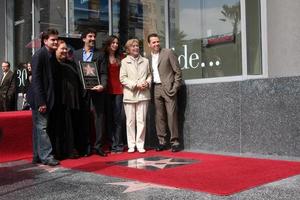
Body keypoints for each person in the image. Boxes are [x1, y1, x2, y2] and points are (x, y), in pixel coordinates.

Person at [26, 28, 60, 166]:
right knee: (42, 128)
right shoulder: (39, 55)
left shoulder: (51, 55)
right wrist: (41, 102)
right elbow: (36, 80)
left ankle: (37, 156)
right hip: (39, 99)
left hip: (45, 99)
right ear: (45, 41)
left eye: (56, 39)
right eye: (52, 39)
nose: (55, 42)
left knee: (38, 128)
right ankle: (47, 156)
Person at [73, 28, 108, 157]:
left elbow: (104, 73)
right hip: (81, 92)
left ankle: (98, 146)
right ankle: (86, 147)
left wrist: (102, 86)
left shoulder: (100, 54)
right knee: (84, 119)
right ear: (83, 39)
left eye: (94, 36)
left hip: (97, 91)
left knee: (99, 119)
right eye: (90, 36)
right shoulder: (75, 54)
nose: (93, 39)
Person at [147, 33, 182, 152]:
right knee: (159, 117)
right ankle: (162, 142)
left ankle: (175, 142)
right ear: (149, 44)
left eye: (157, 41)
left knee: (172, 115)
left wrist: (175, 87)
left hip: (168, 88)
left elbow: (178, 72)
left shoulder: (168, 53)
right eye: (153, 42)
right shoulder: (148, 57)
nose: (156, 44)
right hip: (156, 88)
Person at [50, 39, 82, 159]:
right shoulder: (52, 64)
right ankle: (58, 151)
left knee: (70, 127)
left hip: (71, 102)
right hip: (57, 102)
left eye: (65, 49)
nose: (65, 51)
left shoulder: (71, 64)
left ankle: (70, 149)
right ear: (55, 50)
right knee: (59, 127)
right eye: (62, 48)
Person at [120, 39, 152, 153]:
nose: (136, 48)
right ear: (128, 49)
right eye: (133, 46)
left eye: (137, 46)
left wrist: (147, 82)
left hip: (143, 94)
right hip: (130, 94)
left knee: (141, 121)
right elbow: (122, 78)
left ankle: (140, 144)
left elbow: (149, 75)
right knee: (130, 121)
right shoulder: (124, 62)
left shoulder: (146, 61)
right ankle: (131, 145)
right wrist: (135, 85)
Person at [103, 35, 125, 153]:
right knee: (109, 119)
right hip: (106, 91)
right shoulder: (103, 57)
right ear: (108, 44)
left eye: (117, 43)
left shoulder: (121, 57)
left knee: (118, 119)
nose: (115, 45)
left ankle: (119, 145)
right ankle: (112, 144)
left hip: (118, 91)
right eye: (113, 43)